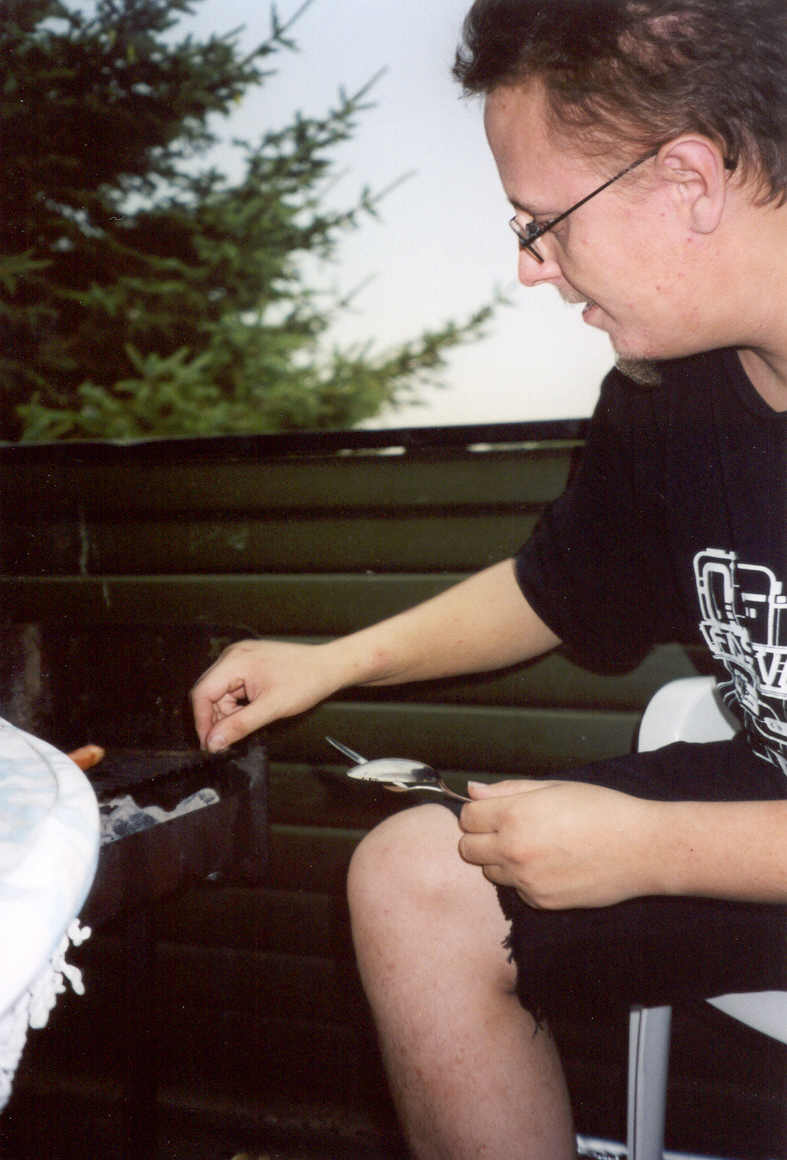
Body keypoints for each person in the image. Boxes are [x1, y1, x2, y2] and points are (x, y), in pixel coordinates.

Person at [191, 1, 787, 1155]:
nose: (528, 267)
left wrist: (649, 846)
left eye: (542, 221)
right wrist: (333, 661)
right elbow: (556, 587)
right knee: (418, 876)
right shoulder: (670, 400)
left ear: (686, 181)